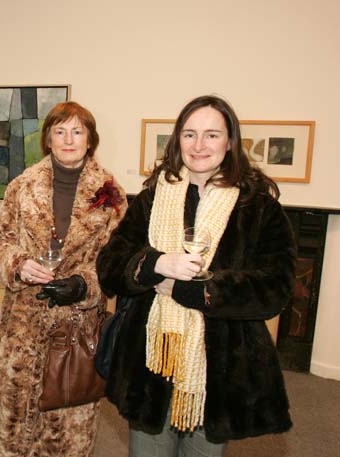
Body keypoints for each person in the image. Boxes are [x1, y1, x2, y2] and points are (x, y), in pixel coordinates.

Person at [96, 95, 295, 456]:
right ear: (177, 141)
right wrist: (155, 263)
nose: (199, 145)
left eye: (212, 135)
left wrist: (194, 290)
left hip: (216, 373)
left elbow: (275, 289)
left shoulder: (258, 207)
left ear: (230, 142)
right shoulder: (152, 198)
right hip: (149, 367)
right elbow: (109, 267)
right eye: (189, 134)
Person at [0, 101, 127, 456]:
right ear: (48, 139)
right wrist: (19, 265)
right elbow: (2, 242)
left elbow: (118, 262)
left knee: (66, 439)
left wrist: (85, 284)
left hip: (77, 336)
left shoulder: (110, 194)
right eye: (60, 131)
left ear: (90, 139)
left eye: (77, 131)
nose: (68, 139)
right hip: (21, 332)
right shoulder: (21, 187)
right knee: (14, 437)